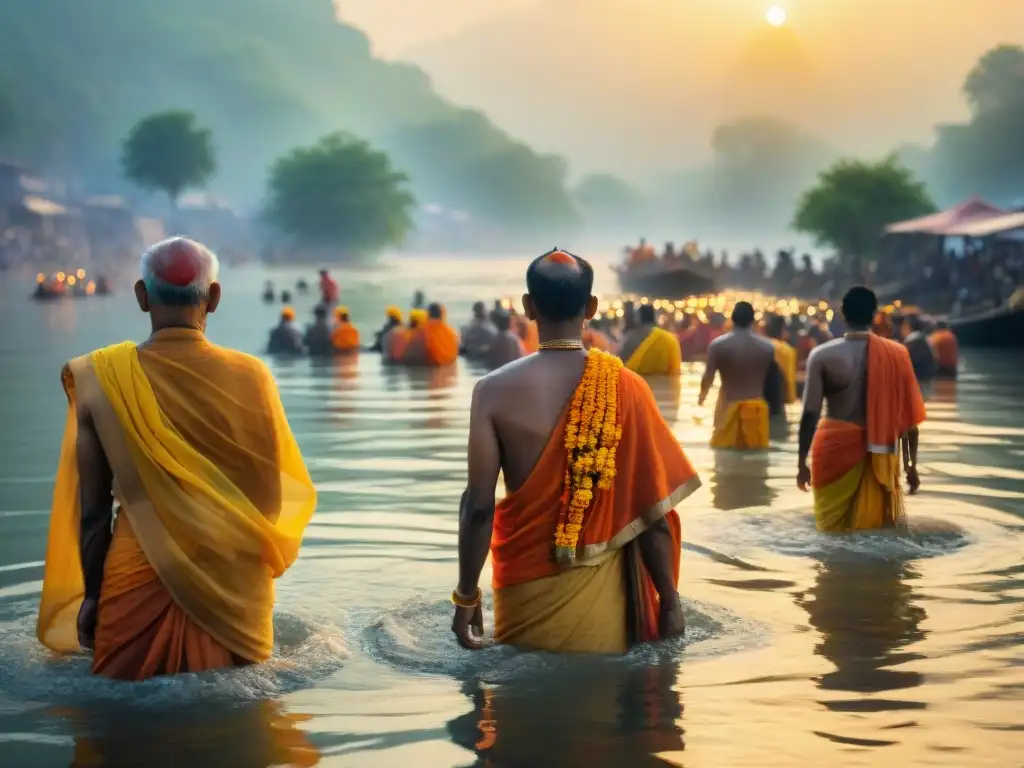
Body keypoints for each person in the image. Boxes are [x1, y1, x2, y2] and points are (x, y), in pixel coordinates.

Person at [36, 237, 316, 680]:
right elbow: (270, 500)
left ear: (141, 297)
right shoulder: (254, 376)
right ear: (216, 298)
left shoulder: (97, 378)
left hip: (134, 580)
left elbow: (92, 514)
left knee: (122, 731)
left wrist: (93, 598)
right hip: (234, 586)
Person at [451, 248, 699, 654]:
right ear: (592, 307)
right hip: (605, 609)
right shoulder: (628, 387)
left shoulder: (491, 391)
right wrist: (669, 601)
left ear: (528, 307)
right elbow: (652, 512)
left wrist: (466, 597)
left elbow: (478, 505)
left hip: (520, 587)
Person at [797, 286, 926, 532]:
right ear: (874, 315)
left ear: (843, 315)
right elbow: (909, 420)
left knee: (829, 540)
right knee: (878, 536)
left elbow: (810, 414)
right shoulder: (898, 354)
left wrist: (801, 463)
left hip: (833, 454)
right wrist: (911, 466)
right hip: (881, 455)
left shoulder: (822, 356)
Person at [699, 301, 777, 449]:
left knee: (724, 459)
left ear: (732, 318)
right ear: (753, 320)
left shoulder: (718, 345)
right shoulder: (767, 348)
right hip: (757, 413)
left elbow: (708, 378)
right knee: (756, 461)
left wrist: (701, 398)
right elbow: (771, 384)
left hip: (728, 409)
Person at [618, 305, 681, 376]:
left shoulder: (629, 338)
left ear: (637, 319)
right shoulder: (669, 338)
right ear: (655, 318)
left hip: (636, 383)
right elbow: (675, 371)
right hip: (667, 384)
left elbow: (621, 365)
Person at [765, 314, 798, 406]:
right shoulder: (786, 350)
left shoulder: (759, 345)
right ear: (782, 330)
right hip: (778, 400)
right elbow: (789, 378)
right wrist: (791, 399)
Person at [904, 316, 937, 381]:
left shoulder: (911, 339)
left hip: (920, 374)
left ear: (910, 327)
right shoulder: (925, 337)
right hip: (929, 372)